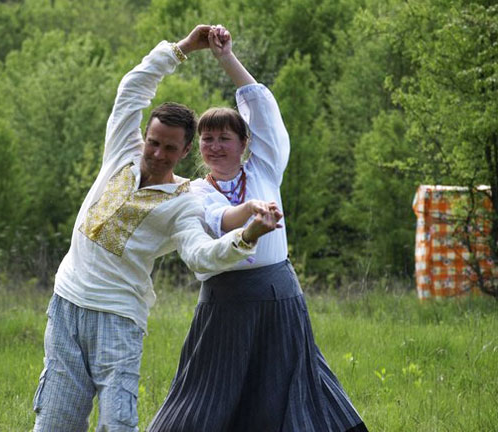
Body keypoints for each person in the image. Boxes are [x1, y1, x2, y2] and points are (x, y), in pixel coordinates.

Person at [32, 25, 282, 432]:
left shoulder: (184, 200)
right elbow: (133, 87)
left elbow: (202, 255)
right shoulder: (122, 153)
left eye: (169, 148)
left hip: (118, 318)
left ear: (186, 152)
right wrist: (183, 47)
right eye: (153, 141)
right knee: (55, 421)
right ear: (144, 136)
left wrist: (248, 234)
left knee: (118, 423)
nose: (156, 153)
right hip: (66, 306)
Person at [148, 26, 368, 432]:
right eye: (207, 139)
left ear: (245, 142)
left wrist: (225, 57)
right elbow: (218, 220)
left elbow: (264, 110)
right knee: (207, 392)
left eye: (224, 138)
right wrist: (249, 212)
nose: (214, 146)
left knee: (284, 389)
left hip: (278, 296)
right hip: (225, 303)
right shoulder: (195, 191)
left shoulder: (264, 168)